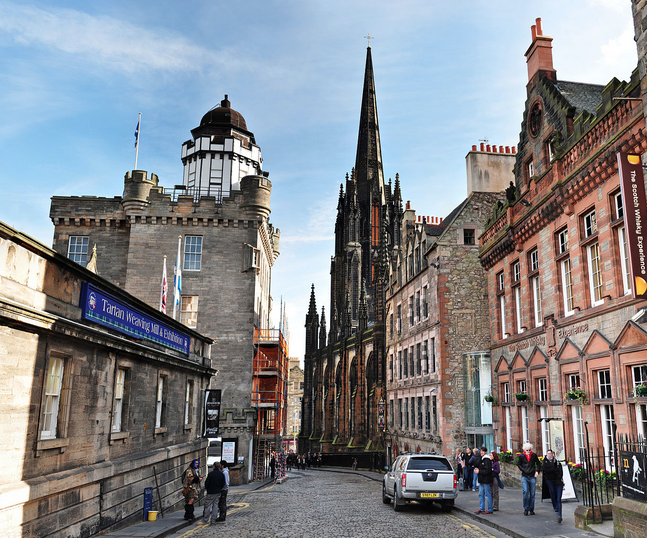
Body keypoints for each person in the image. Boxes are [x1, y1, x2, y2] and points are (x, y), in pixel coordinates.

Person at [517, 442, 542, 515]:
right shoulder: (521, 456)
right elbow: (518, 464)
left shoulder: (533, 455)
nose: (528, 452)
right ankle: (526, 508)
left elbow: (538, 464)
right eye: (527, 450)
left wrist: (537, 471)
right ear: (524, 450)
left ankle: (531, 509)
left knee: (532, 494)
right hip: (524, 476)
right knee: (525, 492)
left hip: (532, 476)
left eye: (529, 450)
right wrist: (523, 469)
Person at [543, 450, 563, 523]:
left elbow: (560, 473)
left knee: (559, 499)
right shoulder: (545, 462)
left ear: (553, 454)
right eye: (548, 453)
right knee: (552, 492)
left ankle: (559, 515)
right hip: (549, 480)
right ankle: (555, 506)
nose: (549, 455)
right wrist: (553, 470)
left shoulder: (557, 463)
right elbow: (546, 471)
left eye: (550, 453)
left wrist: (552, 470)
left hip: (558, 482)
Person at [474, 447, 493, 514]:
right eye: (480, 451)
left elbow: (487, 470)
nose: (481, 452)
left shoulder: (487, 460)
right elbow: (476, 464)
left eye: (482, 451)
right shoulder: (481, 459)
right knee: (480, 494)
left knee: (487, 494)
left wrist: (479, 471)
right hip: (481, 479)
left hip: (486, 480)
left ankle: (490, 509)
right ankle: (482, 508)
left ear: (485, 452)